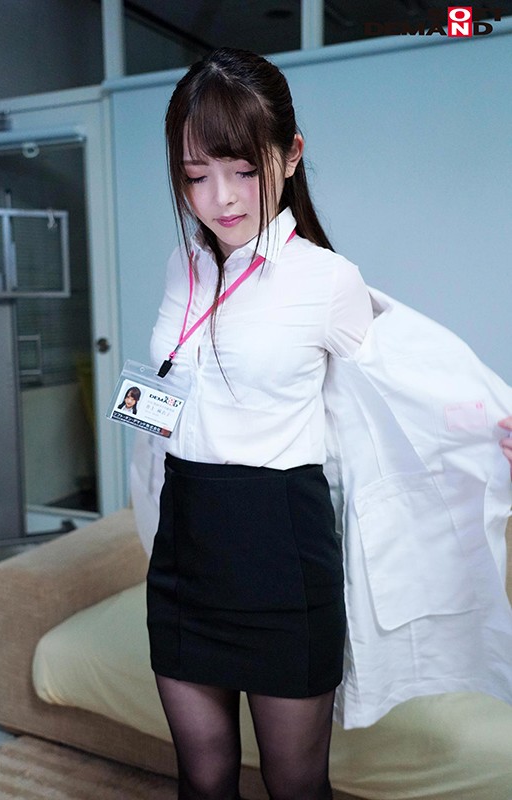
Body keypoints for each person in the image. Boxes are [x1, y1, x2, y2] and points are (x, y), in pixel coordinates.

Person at [136, 48, 512, 800]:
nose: (220, 198)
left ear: (290, 154)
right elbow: (165, 392)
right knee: (201, 777)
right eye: (196, 175)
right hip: (185, 549)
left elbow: (414, 373)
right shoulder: (185, 265)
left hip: (280, 547)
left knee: (296, 785)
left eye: (243, 169)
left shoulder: (325, 280)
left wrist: (496, 419)